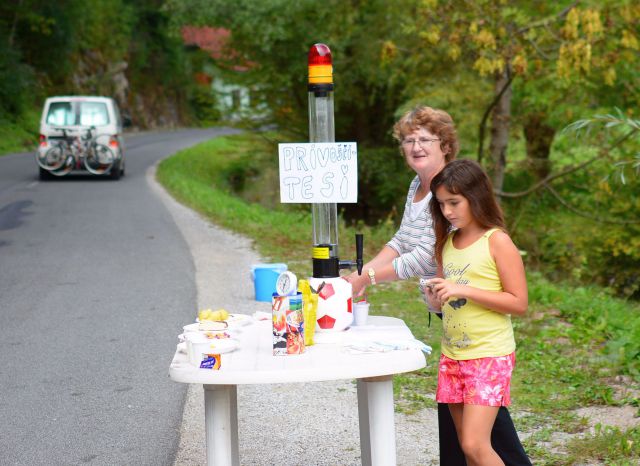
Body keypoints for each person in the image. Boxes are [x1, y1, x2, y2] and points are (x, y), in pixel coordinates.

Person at [345, 106, 531, 465]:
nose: (414, 146)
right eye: (408, 140)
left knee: (480, 443)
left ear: (445, 145)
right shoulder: (421, 191)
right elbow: (405, 242)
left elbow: (425, 257)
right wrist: (367, 276)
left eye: (424, 139)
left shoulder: (479, 224)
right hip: (456, 345)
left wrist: (366, 278)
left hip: (487, 348)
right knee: (467, 444)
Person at [425, 159, 528, 466]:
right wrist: (435, 299)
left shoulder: (496, 240)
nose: (448, 212)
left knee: (475, 445)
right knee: (465, 447)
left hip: (489, 355)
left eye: (454, 202)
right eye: (442, 204)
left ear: (477, 196)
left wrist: (462, 289)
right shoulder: (446, 242)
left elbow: (519, 302)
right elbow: (446, 299)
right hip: (453, 355)